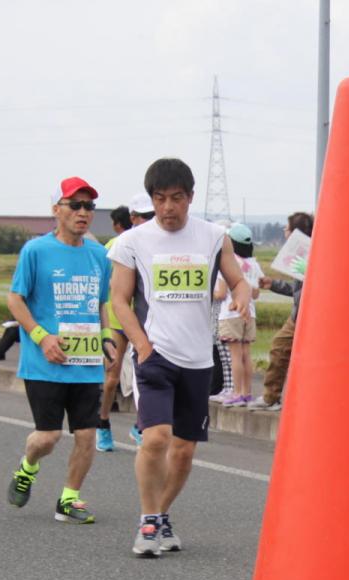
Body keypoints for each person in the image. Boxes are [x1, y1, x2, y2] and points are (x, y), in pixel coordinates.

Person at [109, 157, 252, 557]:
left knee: (185, 450)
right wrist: (141, 345)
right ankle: (148, 520)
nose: (168, 208)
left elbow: (237, 280)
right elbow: (119, 301)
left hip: (198, 359)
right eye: (159, 199)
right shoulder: (131, 242)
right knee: (156, 438)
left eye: (176, 199)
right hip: (155, 354)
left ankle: (161, 514)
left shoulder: (212, 236)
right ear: (152, 200)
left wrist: (241, 295)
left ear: (190, 198)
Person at [4, 177, 115, 526]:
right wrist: (41, 336)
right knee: (48, 436)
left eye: (89, 207)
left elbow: (104, 302)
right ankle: (28, 467)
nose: (84, 213)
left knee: (86, 434)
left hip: (85, 360)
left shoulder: (99, 254)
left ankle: (69, 499)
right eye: (75, 205)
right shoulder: (36, 251)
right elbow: (15, 298)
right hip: (45, 363)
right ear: (57, 210)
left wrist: (108, 334)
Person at [250, 212, 312, 411]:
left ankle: (273, 397)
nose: (284, 231)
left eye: (287, 228)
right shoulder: (303, 253)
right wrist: (273, 284)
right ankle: (273, 396)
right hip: (299, 314)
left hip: (308, 316)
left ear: (295, 232)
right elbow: (297, 291)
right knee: (282, 349)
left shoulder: (312, 253)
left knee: (283, 349)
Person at [93, 204, 135, 451]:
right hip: (118, 319)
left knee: (147, 376)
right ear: (132, 218)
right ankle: (103, 424)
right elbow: (101, 283)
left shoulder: (155, 243)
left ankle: (141, 427)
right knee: (112, 376)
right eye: (142, 217)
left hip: (144, 321)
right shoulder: (112, 246)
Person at [214, 222, 261, 406]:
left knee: (235, 355)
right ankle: (247, 392)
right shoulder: (254, 264)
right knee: (246, 354)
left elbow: (221, 293)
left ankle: (237, 392)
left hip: (230, 312)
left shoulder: (229, 262)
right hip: (250, 313)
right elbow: (255, 293)